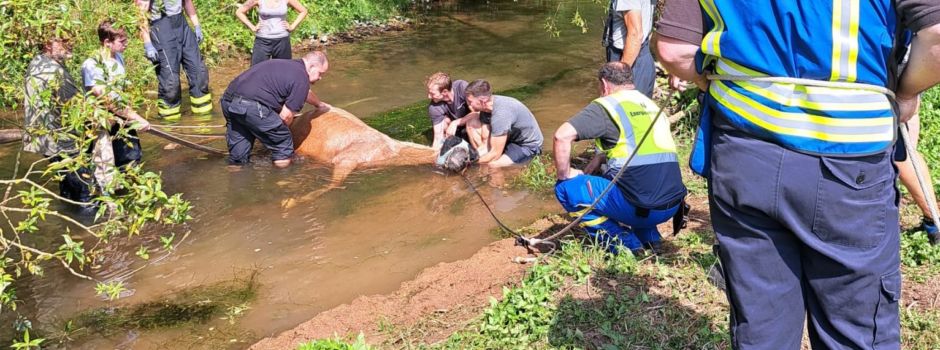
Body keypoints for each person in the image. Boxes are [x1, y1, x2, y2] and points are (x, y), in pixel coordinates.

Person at [655, 1, 940, 348]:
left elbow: (674, 50)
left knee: (761, 326)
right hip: (849, 164)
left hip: (743, 153)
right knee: (855, 330)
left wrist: (714, 79)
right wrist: (906, 91)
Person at [554, 62, 686, 255]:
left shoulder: (607, 105)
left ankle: (626, 245)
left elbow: (561, 136)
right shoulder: (648, 104)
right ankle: (651, 238)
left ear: (604, 84)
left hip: (643, 208)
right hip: (671, 204)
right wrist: (600, 157)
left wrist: (565, 174)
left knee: (566, 188)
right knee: (637, 181)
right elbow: (637, 143)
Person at [221, 51, 330, 167]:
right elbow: (285, 116)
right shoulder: (302, 79)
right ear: (312, 67)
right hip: (252, 107)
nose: (320, 78)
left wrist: (319, 104)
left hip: (228, 102)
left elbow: (304, 92)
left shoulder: (286, 66)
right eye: (320, 73)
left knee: (238, 155)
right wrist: (275, 132)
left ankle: (236, 174)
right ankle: (282, 180)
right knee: (283, 143)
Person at [23, 36, 89, 204]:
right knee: (84, 189)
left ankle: (70, 222)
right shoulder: (54, 71)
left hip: (44, 137)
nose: (70, 45)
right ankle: (88, 226)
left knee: (67, 187)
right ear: (47, 45)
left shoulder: (37, 62)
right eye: (63, 42)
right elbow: (75, 106)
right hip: (60, 140)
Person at [81, 21, 152, 171]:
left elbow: (122, 93)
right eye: (122, 41)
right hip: (103, 121)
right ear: (107, 42)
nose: (126, 44)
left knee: (132, 158)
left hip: (123, 117)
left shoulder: (118, 57)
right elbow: (107, 100)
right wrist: (136, 118)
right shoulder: (92, 64)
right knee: (103, 167)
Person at [137, 0, 213, 120]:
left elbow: (187, 2)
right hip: (160, 27)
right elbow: (141, 15)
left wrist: (197, 25)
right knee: (170, 82)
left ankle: (205, 120)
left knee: (199, 73)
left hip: (181, 25)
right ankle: (171, 125)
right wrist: (147, 44)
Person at [460, 79, 543, 168]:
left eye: (470, 101)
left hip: (527, 145)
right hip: (511, 139)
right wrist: (469, 157)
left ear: (482, 101)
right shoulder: (485, 109)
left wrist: (469, 164)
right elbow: (486, 145)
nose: (468, 105)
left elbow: (495, 154)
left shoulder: (501, 114)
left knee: (494, 165)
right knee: (484, 158)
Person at [602, 0, 655, 98]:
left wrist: (619, 79)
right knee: (639, 110)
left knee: (622, 109)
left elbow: (635, 34)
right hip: (642, 58)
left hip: (630, 62)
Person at [235, 0, 309, 66]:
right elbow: (239, 12)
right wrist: (252, 27)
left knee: (283, 70)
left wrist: (292, 26)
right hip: (262, 40)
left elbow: (303, 11)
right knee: (257, 69)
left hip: (282, 40)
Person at [426, 72, 471, 151]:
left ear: (445, 92)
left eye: (432, 93)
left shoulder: (462, 87)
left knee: (475, 121)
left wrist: (456, 122)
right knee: (444, 121)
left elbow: (478, 113)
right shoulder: (434, 107)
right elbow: (437, 137)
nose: (429, 96)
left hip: (470, 123)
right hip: (453, 131)